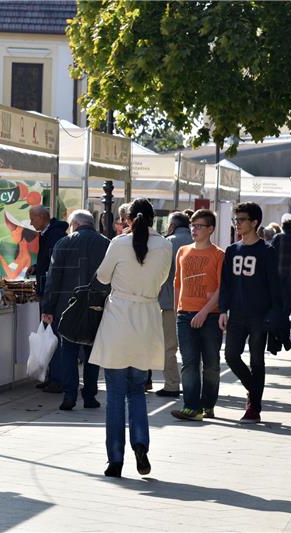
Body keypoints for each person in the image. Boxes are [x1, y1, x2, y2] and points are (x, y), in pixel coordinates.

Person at [90, 198, 172, 478]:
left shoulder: (119, 243)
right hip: (146, 318)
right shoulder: (165, 245)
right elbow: (161, 280)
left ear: (129, 219)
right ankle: (140, 442)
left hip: (118, 319)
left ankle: (115, 458)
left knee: (114, 393)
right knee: (137, 389)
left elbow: (101, 277)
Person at [219, 202, 282, 424]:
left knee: (257, 360)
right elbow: (225, 283)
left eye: (241, 220)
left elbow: (275, 285)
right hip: (236, 314)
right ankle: (254, 393)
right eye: (236, 220)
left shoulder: (267, 251)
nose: (237, 224)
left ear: (254, 222)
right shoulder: (232, 250)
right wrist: (222, 310)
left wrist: (275, 315)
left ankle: (254, 407)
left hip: (259, 316)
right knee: (231, 356)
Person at [40, 209, 109, 405]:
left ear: (75, 225)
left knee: (68, 351)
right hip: (96, 306)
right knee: (92, 352)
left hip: (67, 307)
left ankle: (69, 395)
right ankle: (89, 395)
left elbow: (54, 278)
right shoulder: (106, 244)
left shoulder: (64, 243)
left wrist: (48, 307)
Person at [170, 209, 225, 421]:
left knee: (211, 364)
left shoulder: (219, 255)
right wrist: (178, 310)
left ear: (210, 229)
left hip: (210, 316)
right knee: (189, 362)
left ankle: (208, 404)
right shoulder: (182, 251)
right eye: (192, 225)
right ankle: (191, 407)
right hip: (185, 315)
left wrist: (204, 311)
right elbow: (177, 283)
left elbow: (222, 289)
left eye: (199, 226)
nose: (194, 229)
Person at [155, 212, 193, 398]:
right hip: (195, 303)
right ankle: (194, 384)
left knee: (169, 347)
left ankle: (171, 384)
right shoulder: (197, 241)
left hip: (170, 302)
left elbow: (159, 273)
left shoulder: (167, 242)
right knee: (192, 347)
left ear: (172, 226)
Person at [28, 206, 68, 297]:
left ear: (41, 217)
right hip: (47, 288)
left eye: (32, 219)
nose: (31, 223)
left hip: (51, 290)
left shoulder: (55, 234)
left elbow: (56, 262)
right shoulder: (46, 233)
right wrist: (37, 267)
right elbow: (47, 258)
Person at [271, 215, 291, 322]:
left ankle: (278, 314)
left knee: (278, 294)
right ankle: (285, 316)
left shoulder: (277, 237)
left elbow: (271, 253)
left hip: (278, 271)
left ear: (283, 227)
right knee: (289, 296)